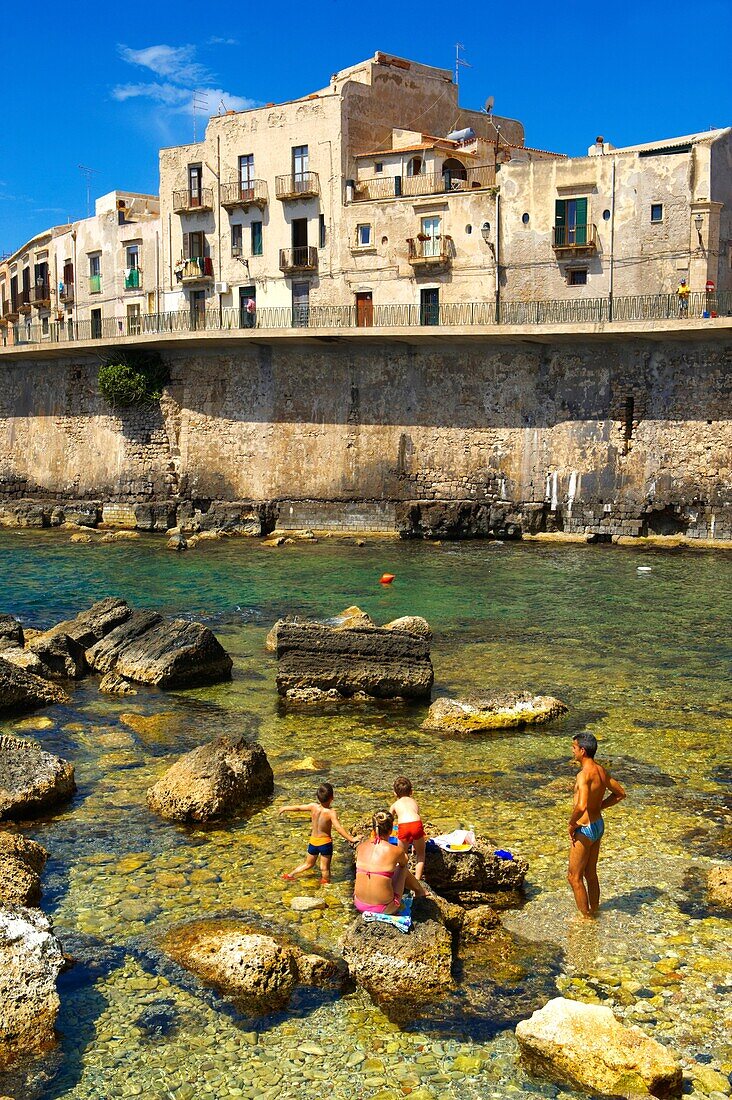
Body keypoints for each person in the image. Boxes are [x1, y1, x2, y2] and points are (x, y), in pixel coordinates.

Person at [567, 732, 626, 918]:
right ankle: (594, 910)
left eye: (574, 747)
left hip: (584, 828)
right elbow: (620, 794)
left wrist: (571, 823)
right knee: (590, 874)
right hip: (598, 825)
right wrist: (600, 805)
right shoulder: (601, 770)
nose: (573, 750)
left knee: (573, 877)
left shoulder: (583, 775)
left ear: (582, 751)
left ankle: (586, 919)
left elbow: (581, 805)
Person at [279, 782, 358, 885]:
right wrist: (351, 839)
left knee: (308, 864)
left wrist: (285, 808)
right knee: (324, 868)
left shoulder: (313, 807)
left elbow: (298, 808)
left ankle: (290, 875)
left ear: (318, 797)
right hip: (325, 843)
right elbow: (338, 828)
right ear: (332, 798)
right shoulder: (331, 812)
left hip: (313, 842)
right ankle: (325, 884)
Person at [354, 811, 427, 914]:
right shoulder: (395, 850)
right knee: (402, 868)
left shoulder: (360, 847)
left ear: (374, 828)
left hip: (359, 903)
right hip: (384, 908)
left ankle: (418, 891)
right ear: (391, 830)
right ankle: (420, 891)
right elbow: (404, 862)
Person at [390, 776, 427, 880]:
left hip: (403, 826)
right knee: (421, 854)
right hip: (416, 824)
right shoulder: (414, 802)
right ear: (411, 792)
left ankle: (401, 880)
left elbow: (388, 820)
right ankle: (417, 880)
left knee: (402, 855)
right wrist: (416, 843)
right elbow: (418, 819)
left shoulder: (395, 805)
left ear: (395, 793)